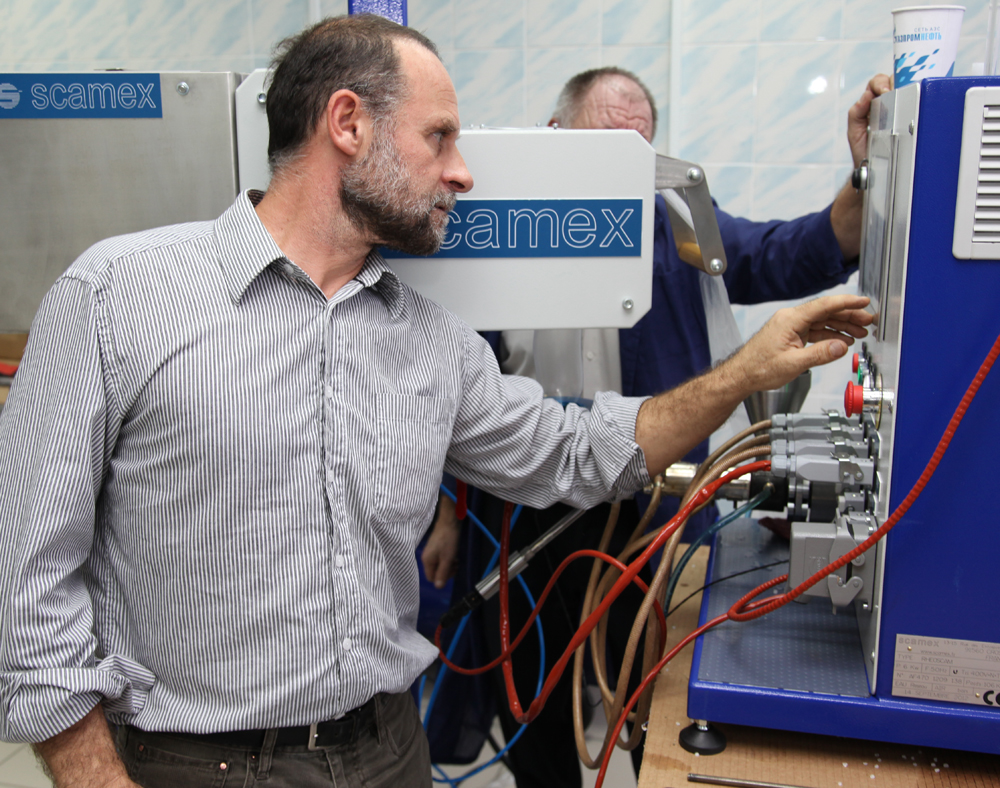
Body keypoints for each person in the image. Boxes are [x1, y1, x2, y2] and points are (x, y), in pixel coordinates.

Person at [0, 16, 872, 788]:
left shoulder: (430, 338)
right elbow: (25, 577)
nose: (463, 173)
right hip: (195, 764)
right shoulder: (119, 296)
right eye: (441, 137)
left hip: (386, 753)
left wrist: (742, 373)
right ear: (347, 124)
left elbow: (577, 452)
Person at [420, 67, 890, 788]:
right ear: (552, 138)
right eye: (603, 148)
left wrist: (863, 174)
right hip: (515, 503)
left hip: (642, 503)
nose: (620, 174)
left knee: (644, 691)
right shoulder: (491, 228)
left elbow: (784, 250)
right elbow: (457, 394)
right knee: (528, 700)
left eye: (636, 155)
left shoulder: (675, 227)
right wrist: (451, 517)